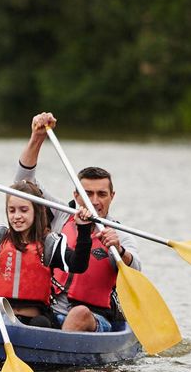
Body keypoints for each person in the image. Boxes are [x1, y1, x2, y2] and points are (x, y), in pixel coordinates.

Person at [15, 112, 142, 332]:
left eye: (102, 194)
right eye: (88, 194)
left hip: (94, 318)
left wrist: (120, 251)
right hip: (50, 311)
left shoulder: (119, 234)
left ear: (112, 196)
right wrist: (37, 137)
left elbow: (136, 268)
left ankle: (55, 353)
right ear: (76, 195)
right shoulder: (61, 215)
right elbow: (23, 183)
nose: (94, 201)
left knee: (79, 313)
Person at [0, 179, 95, 328]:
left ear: (37, 211)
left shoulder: (49, 244)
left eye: (24, 210)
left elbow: (79, 265)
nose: (17, 216)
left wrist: (83, 229)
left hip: (34, 321)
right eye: (12, 210)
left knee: (42, 323)